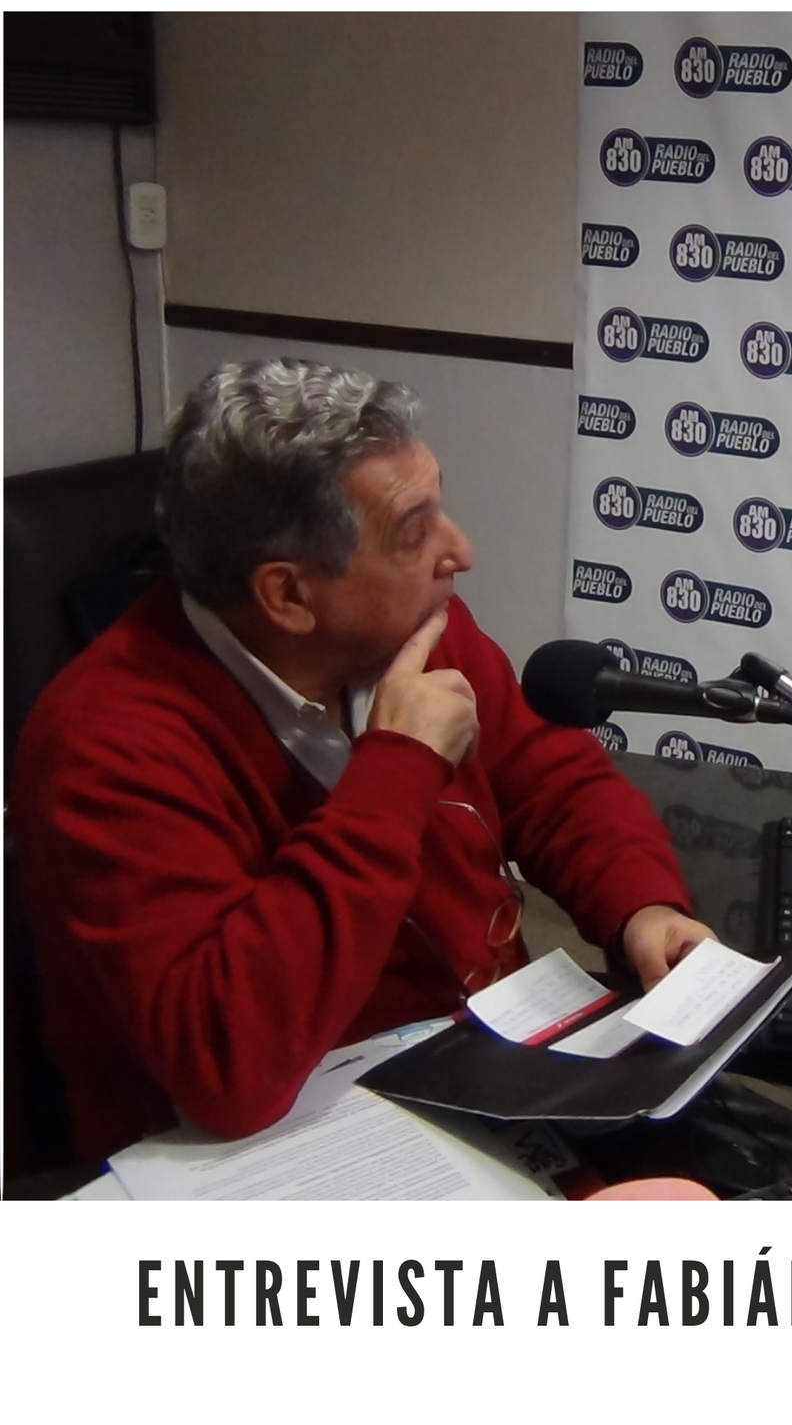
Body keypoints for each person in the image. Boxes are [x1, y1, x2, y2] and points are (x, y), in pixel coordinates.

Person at [12, 357, 713, 1162]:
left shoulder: (409, 629)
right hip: (274, 1156)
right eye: (415, 532)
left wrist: (640, 905)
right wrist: (396, 769)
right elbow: (228, 1066)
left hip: (484, 1073)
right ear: (288, 595)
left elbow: (550, 779)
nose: (461, 550)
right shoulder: (104, 745)